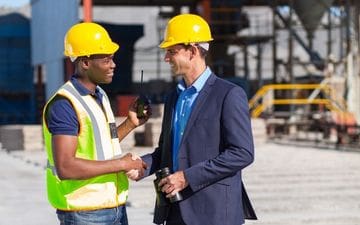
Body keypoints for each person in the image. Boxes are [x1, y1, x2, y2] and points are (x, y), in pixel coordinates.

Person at [128, 14, 256, 225]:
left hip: (214, 213)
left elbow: (242, 153)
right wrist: (142, 165)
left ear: (193, 51)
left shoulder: (228, 95)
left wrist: (187, 177)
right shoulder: (174, 97)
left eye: (172, 51)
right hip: (176, 210)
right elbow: (166, 151)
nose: (166, 58)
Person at [42, 22, 150, 225]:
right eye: (106, 59)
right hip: (86, 214)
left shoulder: (99, 95)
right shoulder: (64, 104)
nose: (113, 65)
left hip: (114, 208)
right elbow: (66, 166)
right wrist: (123, 163)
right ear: (85, 62)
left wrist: (130, 123)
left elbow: (101, 143)